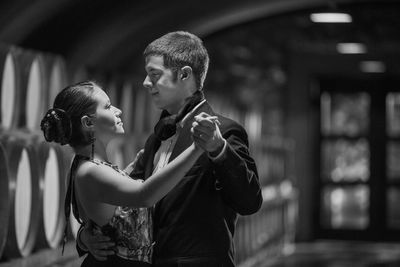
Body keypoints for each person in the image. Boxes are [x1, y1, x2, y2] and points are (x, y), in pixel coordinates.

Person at [78, 31, 263, 266]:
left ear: (184, 74)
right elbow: (121, 205)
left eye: (154, 75)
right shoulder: (158, 135)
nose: (146, 83)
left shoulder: (225, 131)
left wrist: (219, 149)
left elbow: (250, 202)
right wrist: (86, 237)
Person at [40, 80, 209, 266]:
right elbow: (144, 196)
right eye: (108, 106)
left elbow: (112, 203)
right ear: (88, 123)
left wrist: (133, 166)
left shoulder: (91, 166)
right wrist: (196, 149)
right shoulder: (90, 172)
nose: (118, 110)